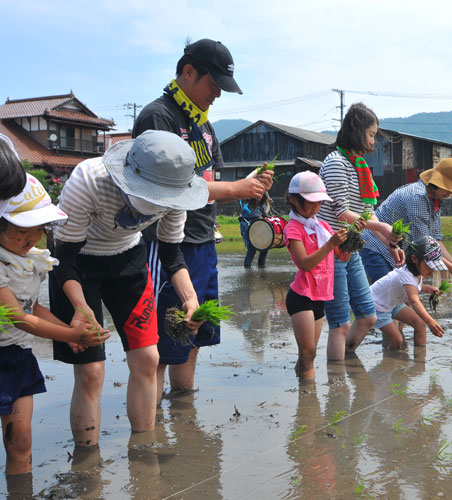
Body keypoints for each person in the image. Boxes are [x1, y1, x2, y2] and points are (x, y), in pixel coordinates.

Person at [49, 130, 208, 448]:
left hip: (128, 261)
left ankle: (144, 455)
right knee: (92, 370)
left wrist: (191, 300)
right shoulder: (89, 180)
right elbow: (63, 258)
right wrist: (82, 309)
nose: (153, 208)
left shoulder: (176, 192)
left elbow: (170, 253)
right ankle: (87, 461)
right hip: (77, 263)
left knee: (149, 358)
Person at [133, 38, 274, 395]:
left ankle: (184, 412)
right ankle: (153, 425)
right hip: (166, 243)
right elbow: (167, 189)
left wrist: (250, 186)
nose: (218, 95)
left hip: (203, 240)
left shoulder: (205, 127)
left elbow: (210, 182)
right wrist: (235, 189)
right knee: (164, 343)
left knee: (194, 333)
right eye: (214, 85)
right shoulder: (158, 116)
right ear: (188, 72)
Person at [0, 173, 111, 476]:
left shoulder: (32, 259)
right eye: (22, 229)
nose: (32, 237)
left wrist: (66, 335)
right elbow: (17, 317)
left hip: (18, 356)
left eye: (38, 228)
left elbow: (32, 307)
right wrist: (70, 333)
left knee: (20, 443)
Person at [317, 102, 401, 360]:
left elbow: (367, 214)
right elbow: (342, 212)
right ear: (357, 130)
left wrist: (389, 242)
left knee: (368, 316)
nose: (373, 140)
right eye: (371, 134)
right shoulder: (336, 163)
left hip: (350, 248)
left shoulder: (360, 167)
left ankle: (346, 363)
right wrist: (381, 226)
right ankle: (338, 386)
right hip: (331, 248)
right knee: (340, 323)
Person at [360, 157, 452, 287]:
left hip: (397, 251)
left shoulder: (434, 200)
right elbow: (424, 243)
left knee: (400, 297)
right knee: (387, 297)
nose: (450, 194)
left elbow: (435, 241)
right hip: (376, 247)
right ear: (438, 183)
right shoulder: (418, 196)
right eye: (448, 189)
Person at [283, 171, 349, 379]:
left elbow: (343, 257)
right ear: (294, 200)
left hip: (320, 296)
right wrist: (330, 244)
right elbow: (304, 264)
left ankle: (302, 391)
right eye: (311, 202)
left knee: (309, 353)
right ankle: (309, 401)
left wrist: (353, 238)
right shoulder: (293, 229)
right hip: (301, 295)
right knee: (308, 352)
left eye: (319, 202)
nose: (316, 207)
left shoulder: (323, 227)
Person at [370, 236, 446, 348]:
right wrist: (430, 321)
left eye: (434, 267)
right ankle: (392, 362)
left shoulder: (418, 272)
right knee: (397, 340)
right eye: (429, 266)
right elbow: (414, 301)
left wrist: (427, 288)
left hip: (392, 304)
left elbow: (413, 286)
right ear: (414, 259)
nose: (432, 270)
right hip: (377, 307)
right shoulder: (407, 275)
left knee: (420, 324)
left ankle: (420, 359)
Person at [239, 196, 270, 268]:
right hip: (247, 226)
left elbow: (265, 215)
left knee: (264, 247)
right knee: (251, 248)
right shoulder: (246, 204)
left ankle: (261, 265)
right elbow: (245, 210)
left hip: (258, 226)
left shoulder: (261, 205)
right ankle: (247, 266)